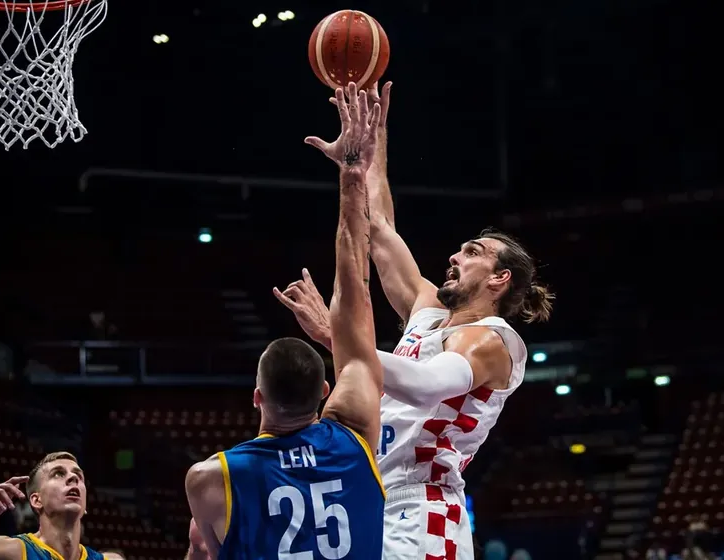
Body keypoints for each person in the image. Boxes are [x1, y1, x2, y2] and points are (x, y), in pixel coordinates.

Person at [274, 82, 554, 559]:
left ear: (500, 278)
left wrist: (334, 335)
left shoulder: (493, 342)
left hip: (422, 508)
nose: (454, 255)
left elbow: (425, 386)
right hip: (366, 498)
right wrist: (367, 146)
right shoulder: (428, 311)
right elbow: (380, 228)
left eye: (473, 253)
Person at [185, 82, 386, 559]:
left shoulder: (211, 478)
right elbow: (357, 293)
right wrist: (353, 173)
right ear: (324, 392)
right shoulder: (356, 433)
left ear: (257, 397)